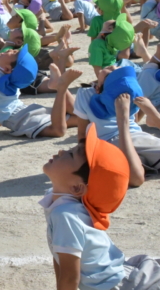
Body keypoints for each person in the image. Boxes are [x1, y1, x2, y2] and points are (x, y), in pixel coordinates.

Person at [41, 119, 160, 290]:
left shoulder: (65, 215)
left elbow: (69, 278)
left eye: (70, 154)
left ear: (77, 187)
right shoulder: (56, 201)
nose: (61, 151)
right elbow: (59, 256)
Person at [0, 47, 80, 139]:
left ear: (8, 69)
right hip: (26, 110)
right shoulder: (8, 76)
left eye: (14, 54)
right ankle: (60, 86)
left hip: (17, 118)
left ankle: (61, 87)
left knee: (58, 131)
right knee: (80, 118)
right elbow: (4, 100)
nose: (12, 50)